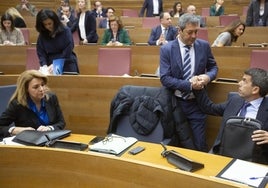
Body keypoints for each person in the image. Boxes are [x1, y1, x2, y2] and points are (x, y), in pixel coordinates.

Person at [159, 13, 218, 151]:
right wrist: (190, 85)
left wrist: (207, 77)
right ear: (179, 30)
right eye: (190, 32)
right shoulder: (167, 49)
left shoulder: (203, 46)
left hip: (197, 103)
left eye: (196, 32)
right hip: (175, 103)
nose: (194, 36)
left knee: (200, 146)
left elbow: (213, 67)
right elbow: (165, 78)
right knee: (175, 145)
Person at [193, 68, 268, 164]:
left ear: (255, 89)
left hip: (254, 160)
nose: (239, 83)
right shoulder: (234, 100)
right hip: (222, 153)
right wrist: (199, 89)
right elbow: (209, 108)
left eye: (244, 81)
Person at [0, 70, 66, 140]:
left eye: (42, 85)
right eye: (36, 87)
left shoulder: (51, 98)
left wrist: (49, 128)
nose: (41, 89)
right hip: (30, 144)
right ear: (26, 89)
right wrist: (15, 130)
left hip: (52, 140)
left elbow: (61, 122)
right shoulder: (17, 104)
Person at [36, 9, 79, 74]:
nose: (48, 26)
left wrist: (56, 64)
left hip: (67, 62)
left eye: (49, 23)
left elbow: (69, 49)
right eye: (45, 24)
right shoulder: (43, 34)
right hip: (50, 65)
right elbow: (41, 51)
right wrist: (44, 65)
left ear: (55, 21)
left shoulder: (65, 30)